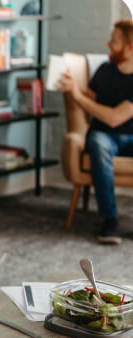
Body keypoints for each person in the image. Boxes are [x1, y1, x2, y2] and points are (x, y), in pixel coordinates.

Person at [58, 20, 133, 244]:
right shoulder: (104, 70)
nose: (109, 44)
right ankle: (109, 220)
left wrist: (79, 97)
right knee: (99, 145)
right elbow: (88, 101)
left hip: (129, 136)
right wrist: (73, 90)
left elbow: (114, 117)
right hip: (102, 135)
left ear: (130, 47)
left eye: (115, 41)